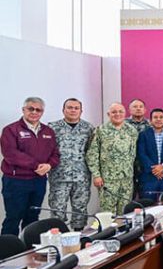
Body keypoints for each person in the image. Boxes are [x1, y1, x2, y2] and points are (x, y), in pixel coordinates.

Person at [1, 97, 60, 235]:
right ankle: (8, 248)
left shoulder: (48, 131)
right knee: (14, 217)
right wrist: (36, 165)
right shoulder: (11, 130)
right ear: (23, 110)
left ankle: (28, 247)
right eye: (31, 109)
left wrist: (49, 165)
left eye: (38, 110)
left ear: (42, 112)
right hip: (16, 181)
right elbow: (11, 154)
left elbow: (55, 153)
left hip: (38, 181)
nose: (34, 112)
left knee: (33, 218)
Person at [47, 98, 94, 230]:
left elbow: (91, 151)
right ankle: (59, 237)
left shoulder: (88, 128)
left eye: (76, 108)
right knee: (57, 209)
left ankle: (78, 236)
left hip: (82, 176)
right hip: (59, 176)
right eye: (69, 107)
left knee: (80, 208)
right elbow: (47, 150)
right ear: (63, 110)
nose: (73, 110)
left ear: (81, 111)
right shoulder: (52, 127)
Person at [86, 103, 138, 214]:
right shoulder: (100, 130)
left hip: (126, 179)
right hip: (107, 180)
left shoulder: (131, 131)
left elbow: (133, 153)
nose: (117, 114)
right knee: (108, 213)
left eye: (120, 111)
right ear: (108, 114)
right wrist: (96, 175)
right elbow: (92, 154)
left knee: (125, 212)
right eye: (114, 112)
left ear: (125, 113)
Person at [137, 108, 163, 197]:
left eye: (161, 117)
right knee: (148, 203)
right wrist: (155, 169)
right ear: (150, 120)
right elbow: (141, 153)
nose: (158, 119)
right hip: (149, 176)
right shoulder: (143, 135)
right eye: (155, 117)